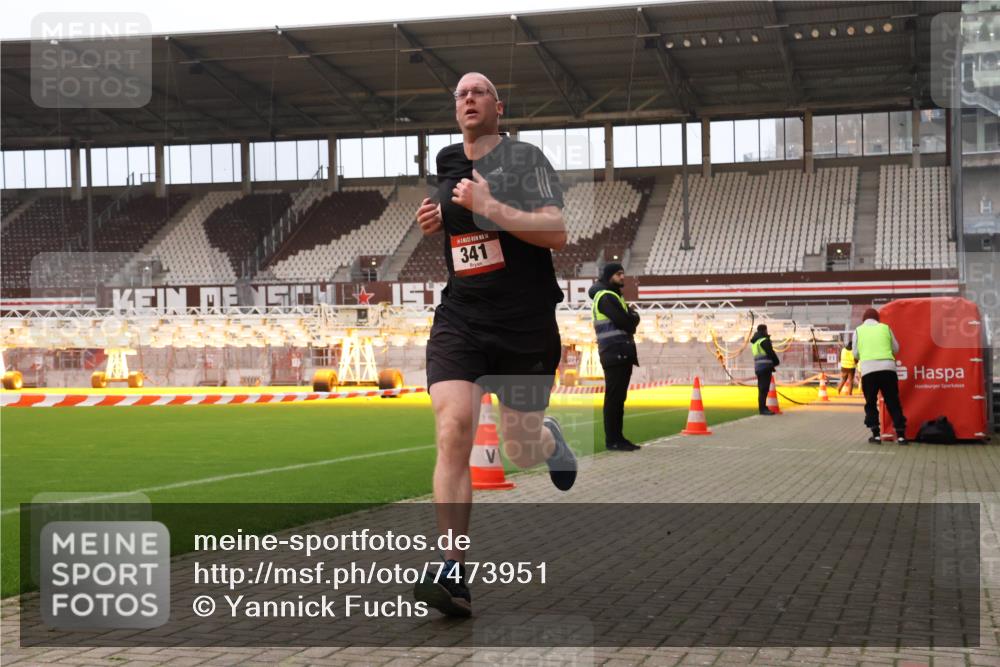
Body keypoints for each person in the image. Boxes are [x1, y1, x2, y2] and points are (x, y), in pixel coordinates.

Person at [411, 72, 577, 617]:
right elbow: (460, 230)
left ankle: (546, 440)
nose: (468, 100)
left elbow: (556, 232)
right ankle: (452, 570)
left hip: (524, 322)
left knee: (520, 446)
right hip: (463, 317)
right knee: (453, 426)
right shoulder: (446, 161)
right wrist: (437, 220)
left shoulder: (525, 160)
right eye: (459, 94)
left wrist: (492, 208)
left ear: (498, 107)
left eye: (478, 92)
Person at [588, 262, 640, 451]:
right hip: (614, 351)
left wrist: (631, 318)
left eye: (623, 273)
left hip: (618, 352)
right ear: (609, 276)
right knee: (614, 399)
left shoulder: (613, 296)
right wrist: (632, 319)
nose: (622, 277)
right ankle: (613, 440)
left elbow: (631, 319)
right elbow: (628, 322)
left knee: (618, 399)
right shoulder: (606, 297)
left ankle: (618, 438)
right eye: (619, 274)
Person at [853, 307, 907, 445]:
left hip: (869, 370)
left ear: (863, 319)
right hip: (888, 369)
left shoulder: (858, 330)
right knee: (892, 401)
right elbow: (896, 348)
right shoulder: (885, 328)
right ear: (877, 319)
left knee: (871, 403)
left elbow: (855, 354)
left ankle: (876, 435)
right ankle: (901, 435)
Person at [750, 324, 780, 415]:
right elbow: (770, 353)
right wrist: (776, 362)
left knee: (761, 389)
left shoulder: (755, 342)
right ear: (765, 330)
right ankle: (763, 409)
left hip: (758, 368)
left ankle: (762, 407)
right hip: (765, 368)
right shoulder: (764, 341)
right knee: (764, 389)